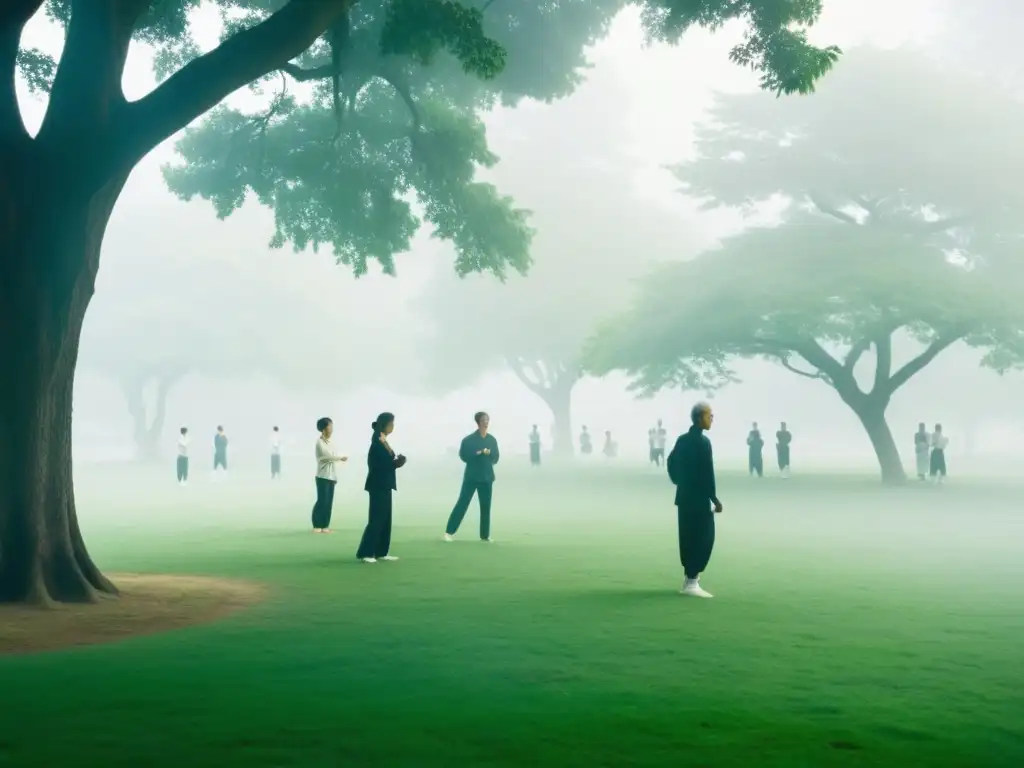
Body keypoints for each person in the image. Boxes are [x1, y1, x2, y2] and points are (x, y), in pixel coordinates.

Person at [667, 402, 723, 598]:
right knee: (704, 537)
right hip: (699, 499)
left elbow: (671, 463)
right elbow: (708, 473)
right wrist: (714, 499)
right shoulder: (703, 443)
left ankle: (689, 579)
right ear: (700, 418)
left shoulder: (682, 440)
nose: (712, 419)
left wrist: (680, 482)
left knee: (687, 536)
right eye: (709, 416)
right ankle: (692, 581)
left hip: (684, 497)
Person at [356, 412, 407, 563]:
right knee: (376, 519)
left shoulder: (383, 440)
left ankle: (381, 552)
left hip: (385, 484)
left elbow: (387, 462)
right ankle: (366, 553)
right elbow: (378, 465)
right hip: (378, 484)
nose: (393, 426)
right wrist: (395, 463)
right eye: (391, 423)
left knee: (386, 519)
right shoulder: (377, 442)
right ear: (384, 424)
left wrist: (397, 462)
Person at [444, 411, 500, 542]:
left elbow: (496, 458)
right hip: (472, 477)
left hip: (487, 477)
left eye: (487, 420)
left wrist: (489, 453)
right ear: (478, 422)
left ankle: (485, 536)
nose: (486, 422)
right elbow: (464, 456)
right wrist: (479, 452)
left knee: (486, 507)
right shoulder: (469, 440)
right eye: (483, 420)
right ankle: (449, 532)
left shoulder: (492, 440)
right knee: (462, 504)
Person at [312, 417, 348, 533]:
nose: (331, 429)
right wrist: (340, 458)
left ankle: (325, 525)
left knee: (329, 502)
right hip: (322, 476)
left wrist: (335, 476)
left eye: (332, 427)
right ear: (323, 429)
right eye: (329, 426)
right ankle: (317, 525)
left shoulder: (331, 443)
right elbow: (327, 457)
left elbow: (332, 460)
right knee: (322, 501)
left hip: (331, 477)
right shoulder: (319, 442)